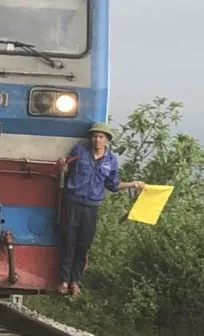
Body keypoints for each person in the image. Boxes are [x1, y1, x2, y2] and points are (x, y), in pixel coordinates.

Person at [57, 123, 144, 295]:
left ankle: (75, 281)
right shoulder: (79, 151)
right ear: (91, 138)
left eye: (101, 137)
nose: (97, 140)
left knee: (84, 245)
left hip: (91, 206)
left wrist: (134, 184)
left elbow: (113, 184)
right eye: (95, 136)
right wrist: (63, 168)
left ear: (107, 140)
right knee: (68, 241)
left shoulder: (111, 160)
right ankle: (63, 281)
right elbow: (66, 170)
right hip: (72, 202)